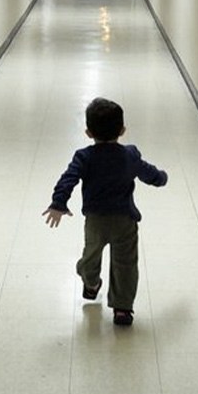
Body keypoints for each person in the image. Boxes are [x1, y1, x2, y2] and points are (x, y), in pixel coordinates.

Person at [43, 98, 168, 326]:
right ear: (122, 130)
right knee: (126, 266)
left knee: (90, 257)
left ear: (88, 132)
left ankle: (96, 287)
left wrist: (58, 203)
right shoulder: (129, 155)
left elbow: (67, 179)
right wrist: (161, 178)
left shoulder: (84, 156)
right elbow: (147, 172)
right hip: (124, 220)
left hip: (96, 221)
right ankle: (120, 304)